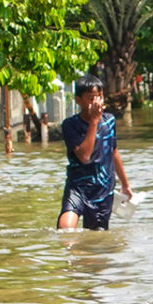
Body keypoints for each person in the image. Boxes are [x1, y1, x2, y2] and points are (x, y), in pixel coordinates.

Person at [56, 76, 130, 230]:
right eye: (91, 98)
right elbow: (84, 156)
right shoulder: (70, 125)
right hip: (78, 186)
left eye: (100, 97)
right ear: (78, 100)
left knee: (95, 239)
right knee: (65, 229)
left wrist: (125, 183)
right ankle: (67, 254)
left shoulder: (109, 120)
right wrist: (94, 122)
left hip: (102, 189)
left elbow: (113, 151)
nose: (97, 102)